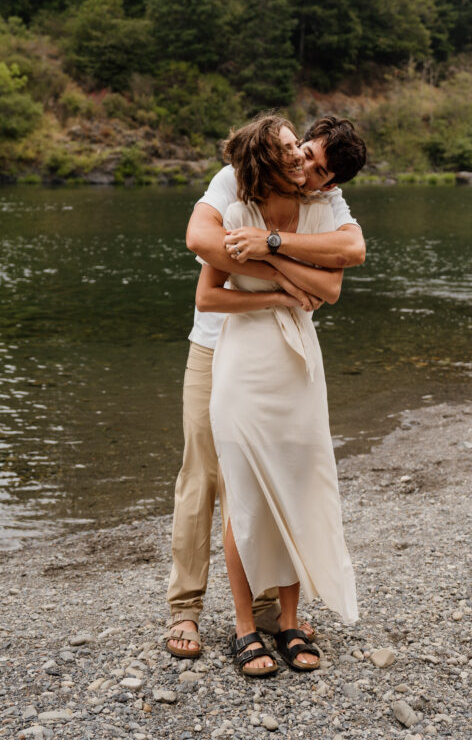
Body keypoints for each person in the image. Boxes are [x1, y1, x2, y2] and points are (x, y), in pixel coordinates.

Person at [165, 115, 367, 659]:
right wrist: (280, 276)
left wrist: (273, 247)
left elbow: (347, 257)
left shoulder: (326, 201)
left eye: (318, 167)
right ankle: (186, 609)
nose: (304, 163)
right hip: (215, 346)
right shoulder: (236, 178)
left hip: (283, 355)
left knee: (266, 482)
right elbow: (200, 240)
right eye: (303, 149)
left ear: (330, 181)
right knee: (202, 475)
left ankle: (261, 614)